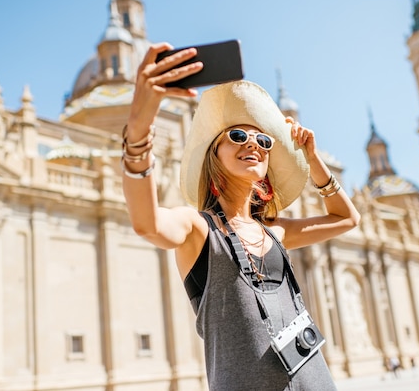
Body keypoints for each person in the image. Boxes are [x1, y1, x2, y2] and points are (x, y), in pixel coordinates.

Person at [122, 43, 361, 390]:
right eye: (236, 136)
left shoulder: (274, 232)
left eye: (263, 140)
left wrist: (312, 159)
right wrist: (138, 129)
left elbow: (346, 218)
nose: (252, 144)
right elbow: (147, 223)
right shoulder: (199, 230)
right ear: (214, 155)